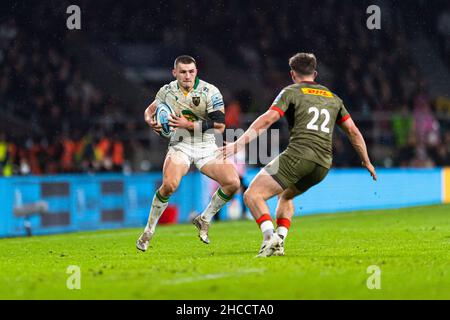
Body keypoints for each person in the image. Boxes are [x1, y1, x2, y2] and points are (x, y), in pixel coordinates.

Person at [221, 53, 377, 257]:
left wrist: (239, 143)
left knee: (252, 194)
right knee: (285, 196)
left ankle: (269, 239)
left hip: (299, 155)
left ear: (292, 74)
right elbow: (353, 131)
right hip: (322, 164)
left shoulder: (291, 91)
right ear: (315, 73)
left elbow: (269, 119)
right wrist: (366, 161)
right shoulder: (333, 98)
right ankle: (280, 241)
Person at [136, 55, 240, 251]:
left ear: (196, 72)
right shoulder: (166, 91)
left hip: (207, 145)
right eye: (182, 72)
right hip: (181, 144)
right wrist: (149, 120)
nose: (187, 76)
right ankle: (148, 231)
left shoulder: (210, 91)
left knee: (233, 183)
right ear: (174, 73)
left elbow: (219, 126)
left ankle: (205, 218)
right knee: (169, 186)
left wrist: (188, 124)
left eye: (191, 71)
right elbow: (149, 111)